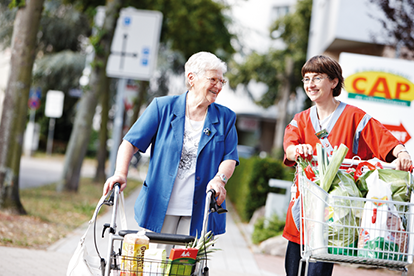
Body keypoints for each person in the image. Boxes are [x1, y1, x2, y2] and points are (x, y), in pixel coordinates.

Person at [282, 55, 412, 276]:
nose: (310, 84)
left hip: (335, 212)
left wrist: (402, 154)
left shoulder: (354, 117)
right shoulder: (301, 119)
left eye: (317, 78)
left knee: (319, 270)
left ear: (334, 82)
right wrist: (298, 150)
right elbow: (289, 147)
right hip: (304, 206)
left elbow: (383, 139)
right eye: (306, 79)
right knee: (292, 270)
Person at [103, 51, 239, 242]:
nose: (218, 86)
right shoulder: (162, 107)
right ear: (192, 78)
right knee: (156, 264)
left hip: (200, 209)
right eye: (213, 79)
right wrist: (120, 173)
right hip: (160, 205)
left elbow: (229, 157)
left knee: (185, 266)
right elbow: (130, 143)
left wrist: (219, 179)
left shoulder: (225, 117)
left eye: (221, 81)